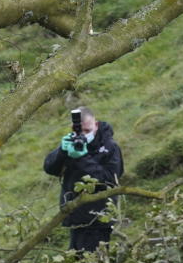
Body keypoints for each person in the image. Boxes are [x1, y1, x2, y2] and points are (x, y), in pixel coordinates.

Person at [43, 106, 124, 253]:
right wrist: (62, 151)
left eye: (88, 131)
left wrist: (82, 158)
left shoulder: (110, 147)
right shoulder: (72, 143)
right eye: (80, 131)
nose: (84, 135)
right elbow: (50, 168)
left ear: (96, 125)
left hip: (99, 219)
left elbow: (109, 180)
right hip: (75, 216)